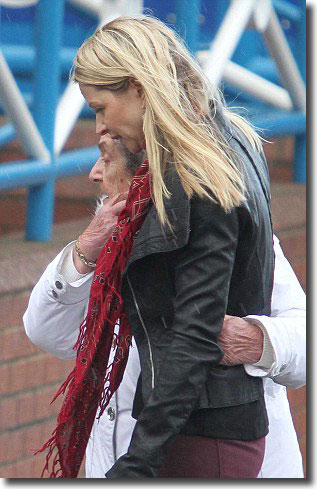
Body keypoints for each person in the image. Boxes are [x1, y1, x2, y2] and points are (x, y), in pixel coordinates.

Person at [25, 15, 295, 478]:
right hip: (185, 433)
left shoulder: (198, 182)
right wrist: (88, 247)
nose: (97, 131)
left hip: (203, 435)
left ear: (136, 87)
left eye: (100, 109)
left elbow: (193, 337)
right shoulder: (165, 195)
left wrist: (138, 462)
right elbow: (47, 330)